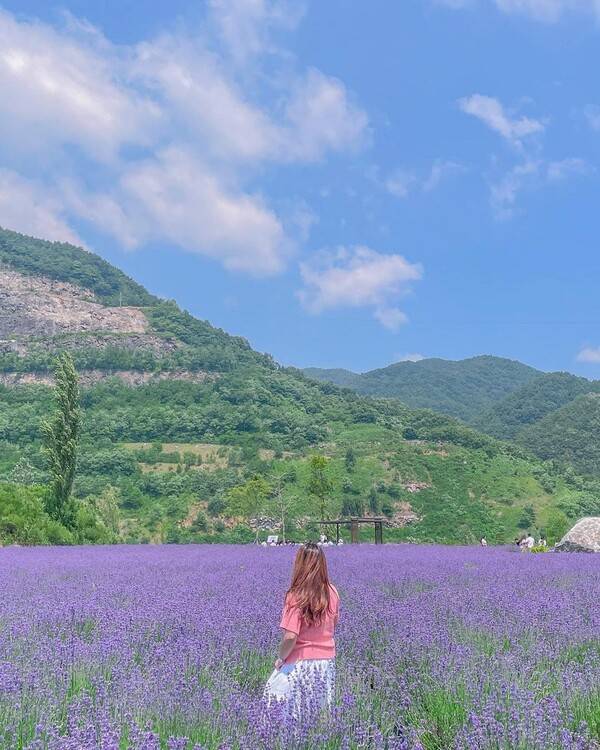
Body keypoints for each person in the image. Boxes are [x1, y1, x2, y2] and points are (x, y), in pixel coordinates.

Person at [264, 542, 340, 716]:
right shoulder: (333, 592)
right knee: (317, 715)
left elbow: (291, 636)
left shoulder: (296, 595)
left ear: (300, 564)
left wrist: (281, 658)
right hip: (326, 664)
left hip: (299, 664)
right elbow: (333, 625)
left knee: (276, 709)